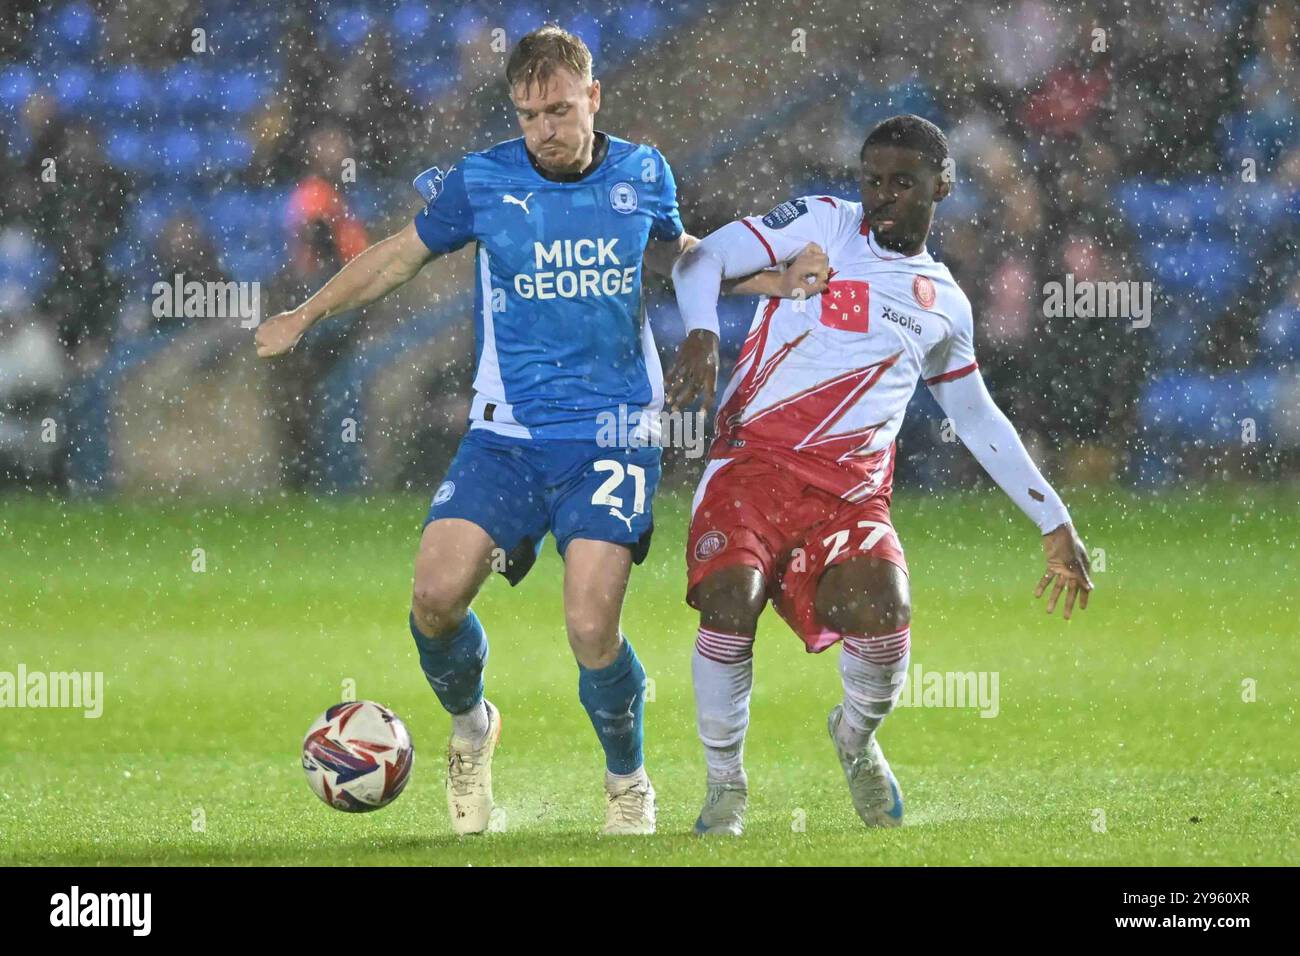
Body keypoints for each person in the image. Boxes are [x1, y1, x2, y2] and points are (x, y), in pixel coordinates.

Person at [256, 25, 827, 835]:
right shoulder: (483, 181)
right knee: (434, 598)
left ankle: (627, 781)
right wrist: (306, 313)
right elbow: (395, 257)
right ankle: (471, 727)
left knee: (592, 627)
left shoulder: (642, 172)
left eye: (559, 110)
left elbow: (680, 255)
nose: (544, 130)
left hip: (614, 432)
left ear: (593, 97)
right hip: (507, 435)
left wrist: (777, 278)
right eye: (528, 115)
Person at [671, 114, 1094, 835]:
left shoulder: (945, 305)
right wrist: (704, 333)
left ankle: (855, 738)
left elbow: (980, 419)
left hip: (849, 495)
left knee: (886, 610)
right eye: (873, 181)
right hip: (751, 466)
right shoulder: (821, 224)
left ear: (943, 186)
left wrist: (1055, 521)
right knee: (729, 602)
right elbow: (698, 260)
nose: (884, 197)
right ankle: (725, 786)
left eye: (904, 184)